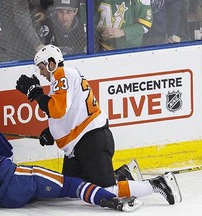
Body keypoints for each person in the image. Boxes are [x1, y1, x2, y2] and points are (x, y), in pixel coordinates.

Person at [15, 44, 182, 205]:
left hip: (91, 141)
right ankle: (123, 175)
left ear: (51, 63)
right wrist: (53, 132)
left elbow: (57, 109)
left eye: (42, 68)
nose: (41, 73)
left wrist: (35, 92)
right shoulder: (65, 77)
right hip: (80, 145)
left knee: (106, 191)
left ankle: (157, 184)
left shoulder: (61, 74)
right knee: (73, 190)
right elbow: (71, 110)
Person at [0, 113, 182, 212]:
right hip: (15, 180)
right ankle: (114, 201)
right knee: (70, 185)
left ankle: (120, 177)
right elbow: (8, 156)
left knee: (66, 191)